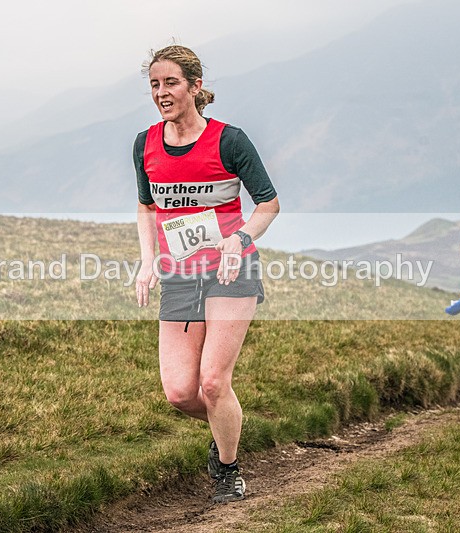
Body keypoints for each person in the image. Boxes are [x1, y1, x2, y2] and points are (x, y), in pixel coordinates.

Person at [133, 44, 279, 503]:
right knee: (180, 392)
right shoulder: (146, 144)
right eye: (155, 84)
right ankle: (228, 424)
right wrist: (147, 259)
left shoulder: (229, 140)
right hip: (179, 275)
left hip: (230, 271)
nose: (161, 92)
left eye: (171, 82)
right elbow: (146, 206)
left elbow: (269, 204)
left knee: (213, 383)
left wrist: (240, 239)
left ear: (195, 86)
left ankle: (228, 468)